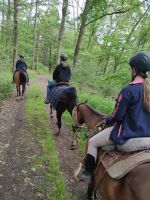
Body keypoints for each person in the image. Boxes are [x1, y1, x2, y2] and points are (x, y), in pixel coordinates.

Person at [79, 51, 150, 182]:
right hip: (147, 140)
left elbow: (117, 117)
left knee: (92, 142)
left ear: (134, 69)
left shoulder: (128, 90)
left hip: (128, 139)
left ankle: (87, 173)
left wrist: (107, 118)